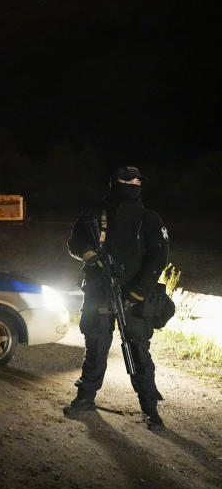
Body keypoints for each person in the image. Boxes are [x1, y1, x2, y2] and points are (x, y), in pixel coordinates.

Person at [64, 166, 169, 431]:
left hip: (134, 299)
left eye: (137, 180)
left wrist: (136, 293)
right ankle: (85, 398)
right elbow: (75, 243)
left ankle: (150, 409)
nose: (134, 184)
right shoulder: (96, 213)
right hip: (99, 292)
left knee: (138, 352)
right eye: (128, 180)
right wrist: (92, 258)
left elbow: (158, 259)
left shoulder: (149, 219)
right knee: (96, 347)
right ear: (114, 183)